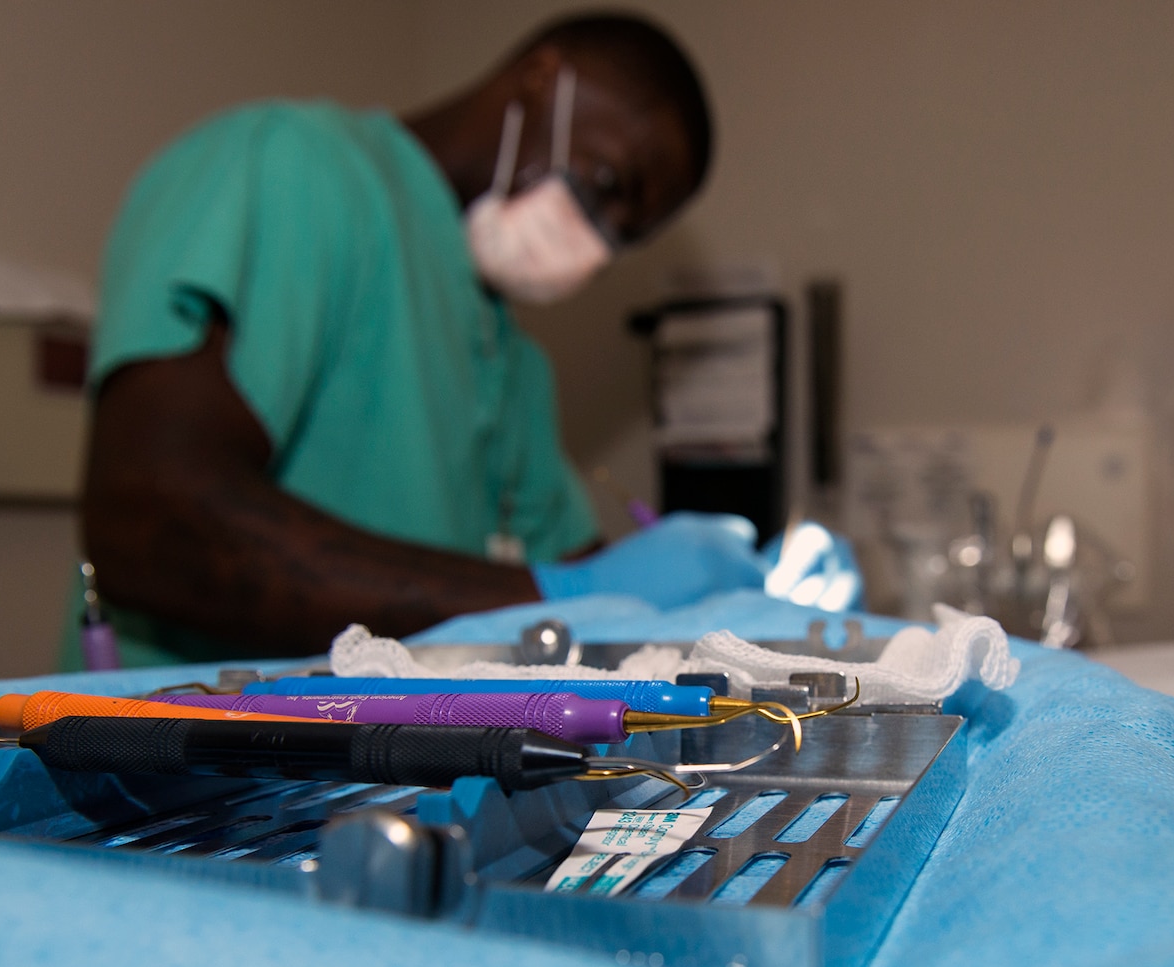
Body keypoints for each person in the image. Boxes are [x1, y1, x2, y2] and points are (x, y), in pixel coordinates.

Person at [66, 12, 766, 668]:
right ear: (543, 78)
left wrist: (728, 601)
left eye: (626, 234)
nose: (598, 236)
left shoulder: (511, 363)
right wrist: (554, 596)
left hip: (364, 776)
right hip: (173, 765)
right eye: (607, 182)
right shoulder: (291, 172)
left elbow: (596, 586)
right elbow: (150, 522)